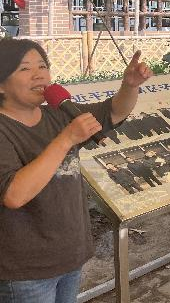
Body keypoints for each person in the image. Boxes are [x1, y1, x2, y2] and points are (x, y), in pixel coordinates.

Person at [0, 39, 152, 303]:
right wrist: (66, 139)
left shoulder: (58, 114)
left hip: (71, 255)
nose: (39, 75)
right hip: (26, 270)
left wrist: (129, 86)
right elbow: (14, 195)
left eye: (42, 66)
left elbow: (113, 112)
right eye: (24, 68)